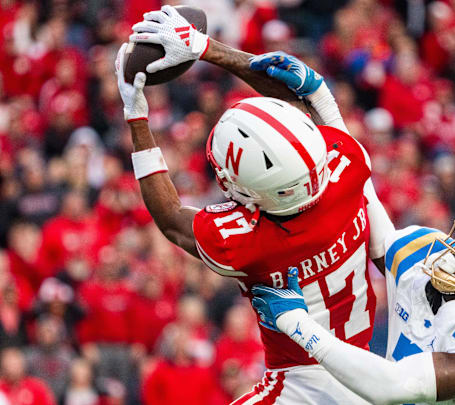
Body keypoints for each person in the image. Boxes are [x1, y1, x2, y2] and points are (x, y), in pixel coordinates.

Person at [118, 6, 394, 404]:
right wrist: (203, 46)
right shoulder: (347, 165)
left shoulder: (248, 241)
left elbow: (171, 220)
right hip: (367, 371)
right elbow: (298, 105)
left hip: (299, 387)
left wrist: (135, 112)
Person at [252, 202, 455, 404]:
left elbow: (397, 385)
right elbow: (360, 195)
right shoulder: (423, 263)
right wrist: (323, 106)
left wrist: (296, 322)